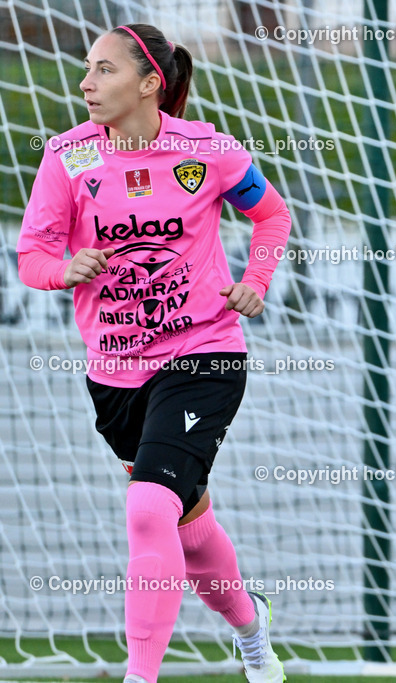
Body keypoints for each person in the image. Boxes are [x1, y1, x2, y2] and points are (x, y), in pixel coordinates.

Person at [17, 24, 291, 683]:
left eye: (104, 70)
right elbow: (31, 255)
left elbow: (272, 215)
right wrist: (64, 267)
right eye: (86, 69)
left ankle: (140, 676)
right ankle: (252, 629)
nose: (86, 83)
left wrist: (254, 282)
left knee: (146, 507)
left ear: (148, 85)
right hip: (114, 374)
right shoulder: (66, 157)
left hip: (205, 354)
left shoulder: (209, 150)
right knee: (188, 529)